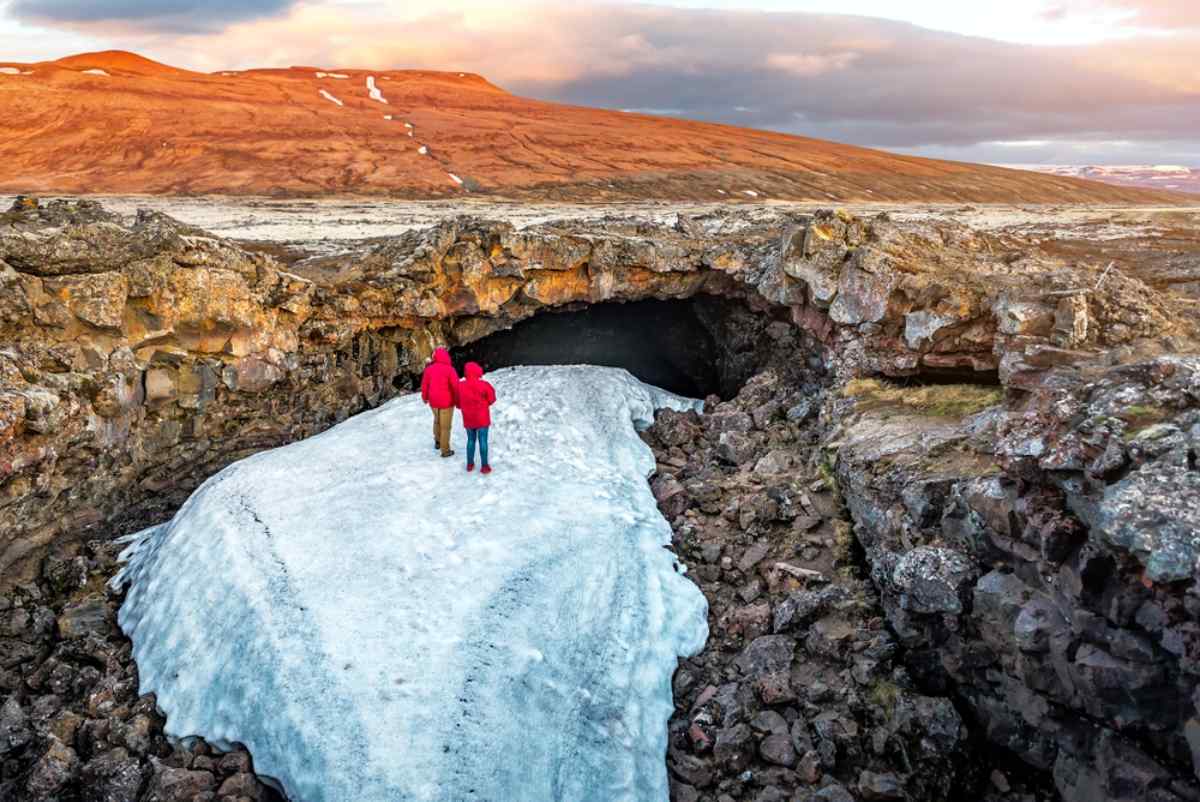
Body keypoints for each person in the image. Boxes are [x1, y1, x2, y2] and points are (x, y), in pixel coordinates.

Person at [456, 361, 496, 474]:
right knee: (483, 440)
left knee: (471, 440)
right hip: (482, 418)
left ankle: (469, 464)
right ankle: (484, 466)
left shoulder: (460, 386)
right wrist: (485, 404)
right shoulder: (484, 384)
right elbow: (492, 399)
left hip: (468, 418)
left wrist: (465, 407)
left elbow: (458, 404)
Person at [421, 347, 459, 458]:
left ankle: (437, 441)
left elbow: (425, 385)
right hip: (447, 402)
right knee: (445, 427)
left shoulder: (429, 369)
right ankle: (445, 450)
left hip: (433, 401)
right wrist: (458, 400)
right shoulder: (450, 369)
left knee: (437, 421)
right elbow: (456, 387)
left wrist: (425, 397)